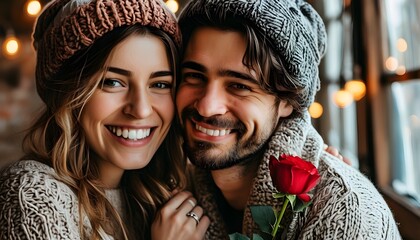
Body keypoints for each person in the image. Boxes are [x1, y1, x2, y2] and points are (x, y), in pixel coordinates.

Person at [175, 0, 402, 239]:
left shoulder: (346, 215)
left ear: (287, 101)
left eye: (239, 86)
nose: (207, 106)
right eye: (194, 76)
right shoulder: (172, 186)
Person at [0, 0, 210, 239]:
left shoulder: (169, 192)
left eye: (160, 84)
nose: (141, 110)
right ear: (69, 93)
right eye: (112, 82)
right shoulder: (31, 194)